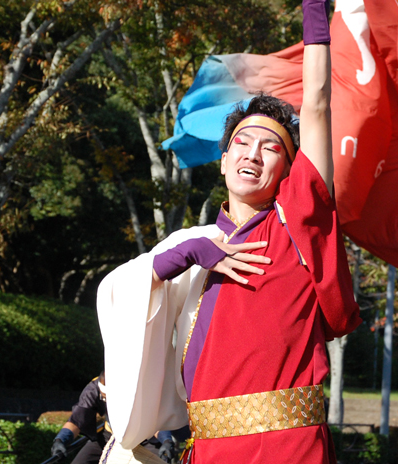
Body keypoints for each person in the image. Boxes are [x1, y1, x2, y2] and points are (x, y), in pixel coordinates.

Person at [95, 1, 361, 463]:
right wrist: (185, 256)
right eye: (242, 142)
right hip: (208, 452)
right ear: (222, 162)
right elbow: (117, 297)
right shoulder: (188, 247)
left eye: (271, 147)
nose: (253, 154)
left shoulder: (297, 221)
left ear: (289, 171)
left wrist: (315, 9)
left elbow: (317, 104)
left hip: (291, 449)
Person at [50, 373, 189, 464]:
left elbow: (154, 421)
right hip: (110, 435)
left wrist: (166, 441)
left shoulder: (140, 387)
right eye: (104, 397)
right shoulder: (94, 388)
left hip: (145, 437)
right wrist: (61, 440)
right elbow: (77, 419)